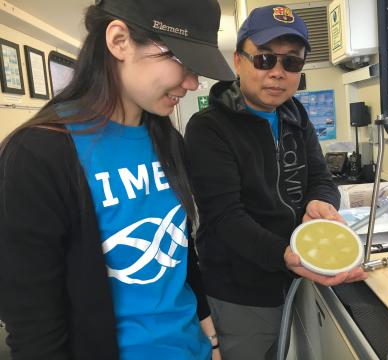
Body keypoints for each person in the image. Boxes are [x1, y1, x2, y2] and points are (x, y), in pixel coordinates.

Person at [0, 0, 235, 359]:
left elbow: (179, 251)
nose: (192, 82)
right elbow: (33, 324)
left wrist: (210, 335)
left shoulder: (167, 139)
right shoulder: (38, 155)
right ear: (120, 40)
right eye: (182, 62)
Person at [184, 5, 367, 360]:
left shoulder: (295, 116)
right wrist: (286, 255)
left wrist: (321, 203)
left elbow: (321, 178)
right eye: (265, 59)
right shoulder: (208, 128)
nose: (278, 73)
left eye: (292, 63)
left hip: (294, 278)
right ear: (238, 61)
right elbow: (224, 217)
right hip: (240, 292)